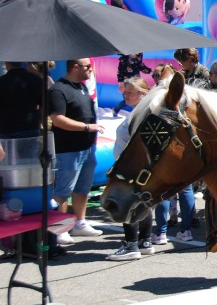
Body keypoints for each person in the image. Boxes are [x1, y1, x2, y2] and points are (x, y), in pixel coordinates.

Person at [48, 59, 105, 244]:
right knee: (63, 190)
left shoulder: (83, 87)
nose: (91, 70)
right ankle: (59, 228)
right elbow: (57, 119)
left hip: (87, 148)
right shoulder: (58, 90)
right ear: (75, 67)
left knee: (83, 189)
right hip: (68, 150)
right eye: (87, 67)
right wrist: (87, 127)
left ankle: (80, 223)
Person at [107, 77, 156, 260]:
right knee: (143, 203)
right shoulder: (141, 112)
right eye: (125, 91)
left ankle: (131, 244)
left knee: (129, 203)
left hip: (131, 167)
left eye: (129, 92)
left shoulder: (142, 114)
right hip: (134, 165)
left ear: (142, 94)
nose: (125, 95)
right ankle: (144, 241)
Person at [0, 61, 43, 138]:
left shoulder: (2, 81)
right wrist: (38, 121)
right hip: (31, 128)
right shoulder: (36, 80)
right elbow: (44, 105)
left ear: (7, 64)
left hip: (6, 130)